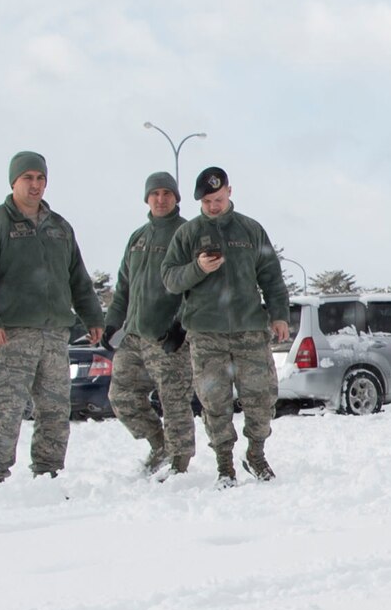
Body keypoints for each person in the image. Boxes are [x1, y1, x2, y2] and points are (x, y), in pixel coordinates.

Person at [0, 150, 103, 484]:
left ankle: (48, 472)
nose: (35, 184)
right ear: (14, 182)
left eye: (40, 178)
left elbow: (78, 278)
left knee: (55, 409)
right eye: (28, 178)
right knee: (7, 410)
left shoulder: (59, 228)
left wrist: (93, 317)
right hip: (10, 336)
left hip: (54, 335)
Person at [161, 166, 290, 485]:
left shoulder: (250, 230)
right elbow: (170, 279)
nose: (213, 206)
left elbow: (271, 276)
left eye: (218, 199)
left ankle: (256, 455)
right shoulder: (188, 234)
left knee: (261, 398)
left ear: (230, 192)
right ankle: (224, 466)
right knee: (215, 402)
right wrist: (198, 268)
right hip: (206, 333)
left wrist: (280, 314)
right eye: (206, 202)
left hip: (249, 328)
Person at [104, 171, 197, 476]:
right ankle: (160, 445)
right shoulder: (138, 237)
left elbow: (196, 287)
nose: (160, 199)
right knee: (121, 396)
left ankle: (178, 464)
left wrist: (180, 326)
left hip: (167, 335)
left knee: (174, 402)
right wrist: (112, 323)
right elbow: (124, 286)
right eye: (155, 194)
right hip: (134, 336)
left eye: (167, 194)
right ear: (147, 198)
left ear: (176, 199)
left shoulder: (187, 234)